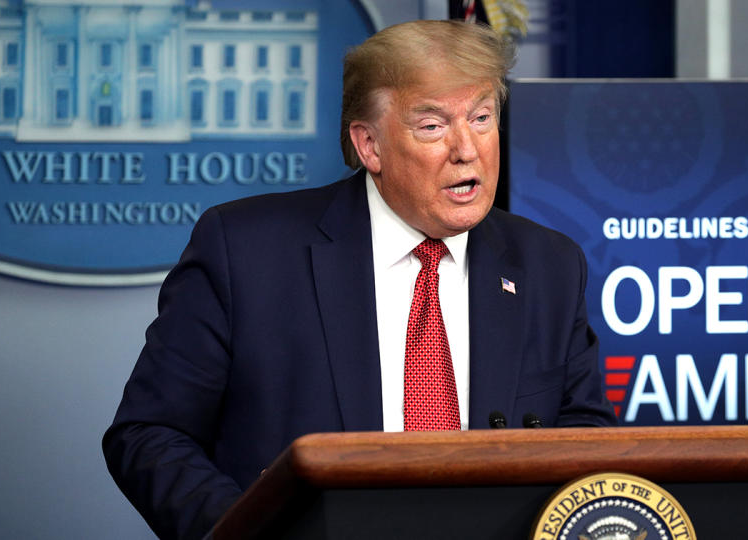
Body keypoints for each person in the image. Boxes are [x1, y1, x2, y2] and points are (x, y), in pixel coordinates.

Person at [103, 19, 617, 540]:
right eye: (433, 126)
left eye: (482, 117)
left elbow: (586, 438)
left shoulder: (548, 264)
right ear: (369, 145)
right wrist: (247, 530)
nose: (468, 149)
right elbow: (150, 434)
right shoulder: (246, 251)